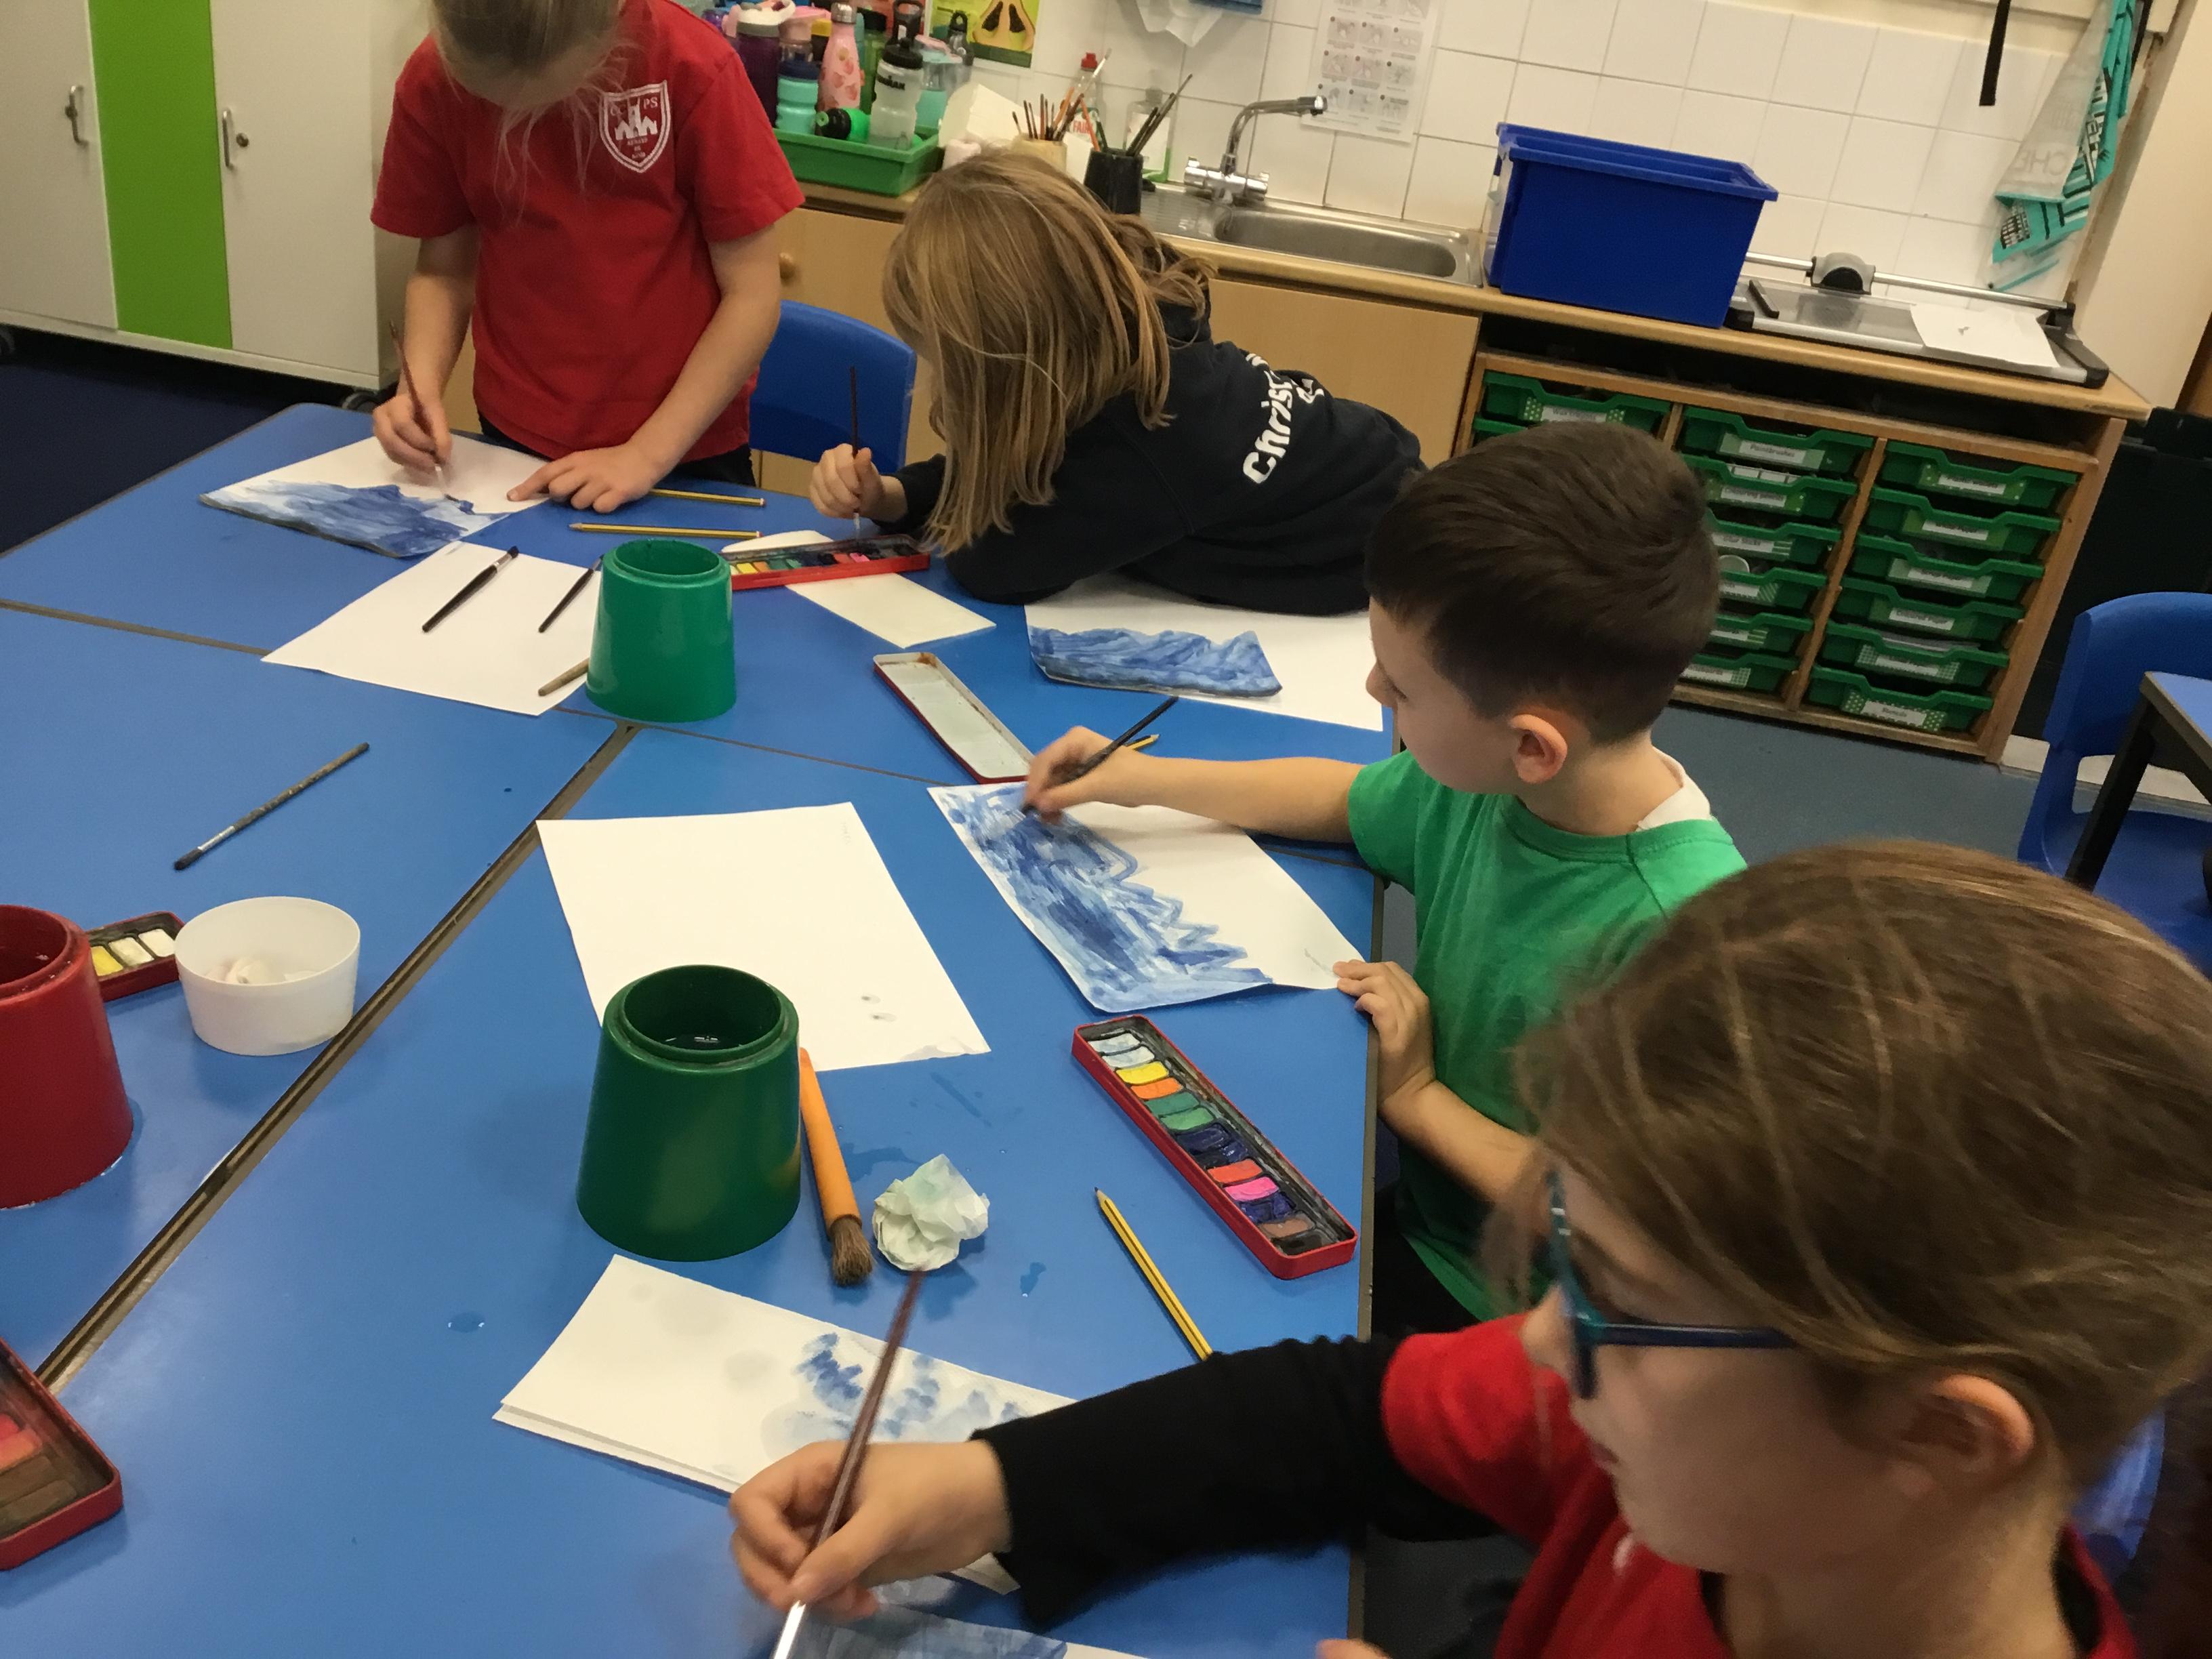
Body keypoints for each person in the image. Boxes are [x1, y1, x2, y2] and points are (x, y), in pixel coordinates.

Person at [731, 844, 2212, 1659]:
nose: (1547, 1344)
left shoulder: (1709, 1468)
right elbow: (1335, 1412)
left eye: (1616, 1301)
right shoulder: (1730, 1458)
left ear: (1941, 1435)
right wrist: (991, 1484)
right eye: (1566, 1252)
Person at [1025, 422, 1742, 1335]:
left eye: (1401, 688)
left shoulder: (1683, 938)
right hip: (1424, 1205)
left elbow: (1631, 1226)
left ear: (1531, 744)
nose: (1372, 690)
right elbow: (1345, 799)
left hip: (1514, 1316)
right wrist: (1142, 780)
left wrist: (1418, 1100)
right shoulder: (1498, 781)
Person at [808, 150, 1423, 615]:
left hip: (1381, 560)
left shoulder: (1144, 438)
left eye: (952, 364)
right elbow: (1022, 472)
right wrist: (895, 497)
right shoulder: (1126, 339)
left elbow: (994, 564)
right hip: (1367, 468)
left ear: (1006, 364)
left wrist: (952, 474)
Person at [370, 0, 799, 508]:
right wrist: (417, 390)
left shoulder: (693, 67)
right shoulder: (436, 75)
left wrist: (646, 455)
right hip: (516, 433)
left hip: (684, 446)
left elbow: (752, 295)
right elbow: (443, 272)